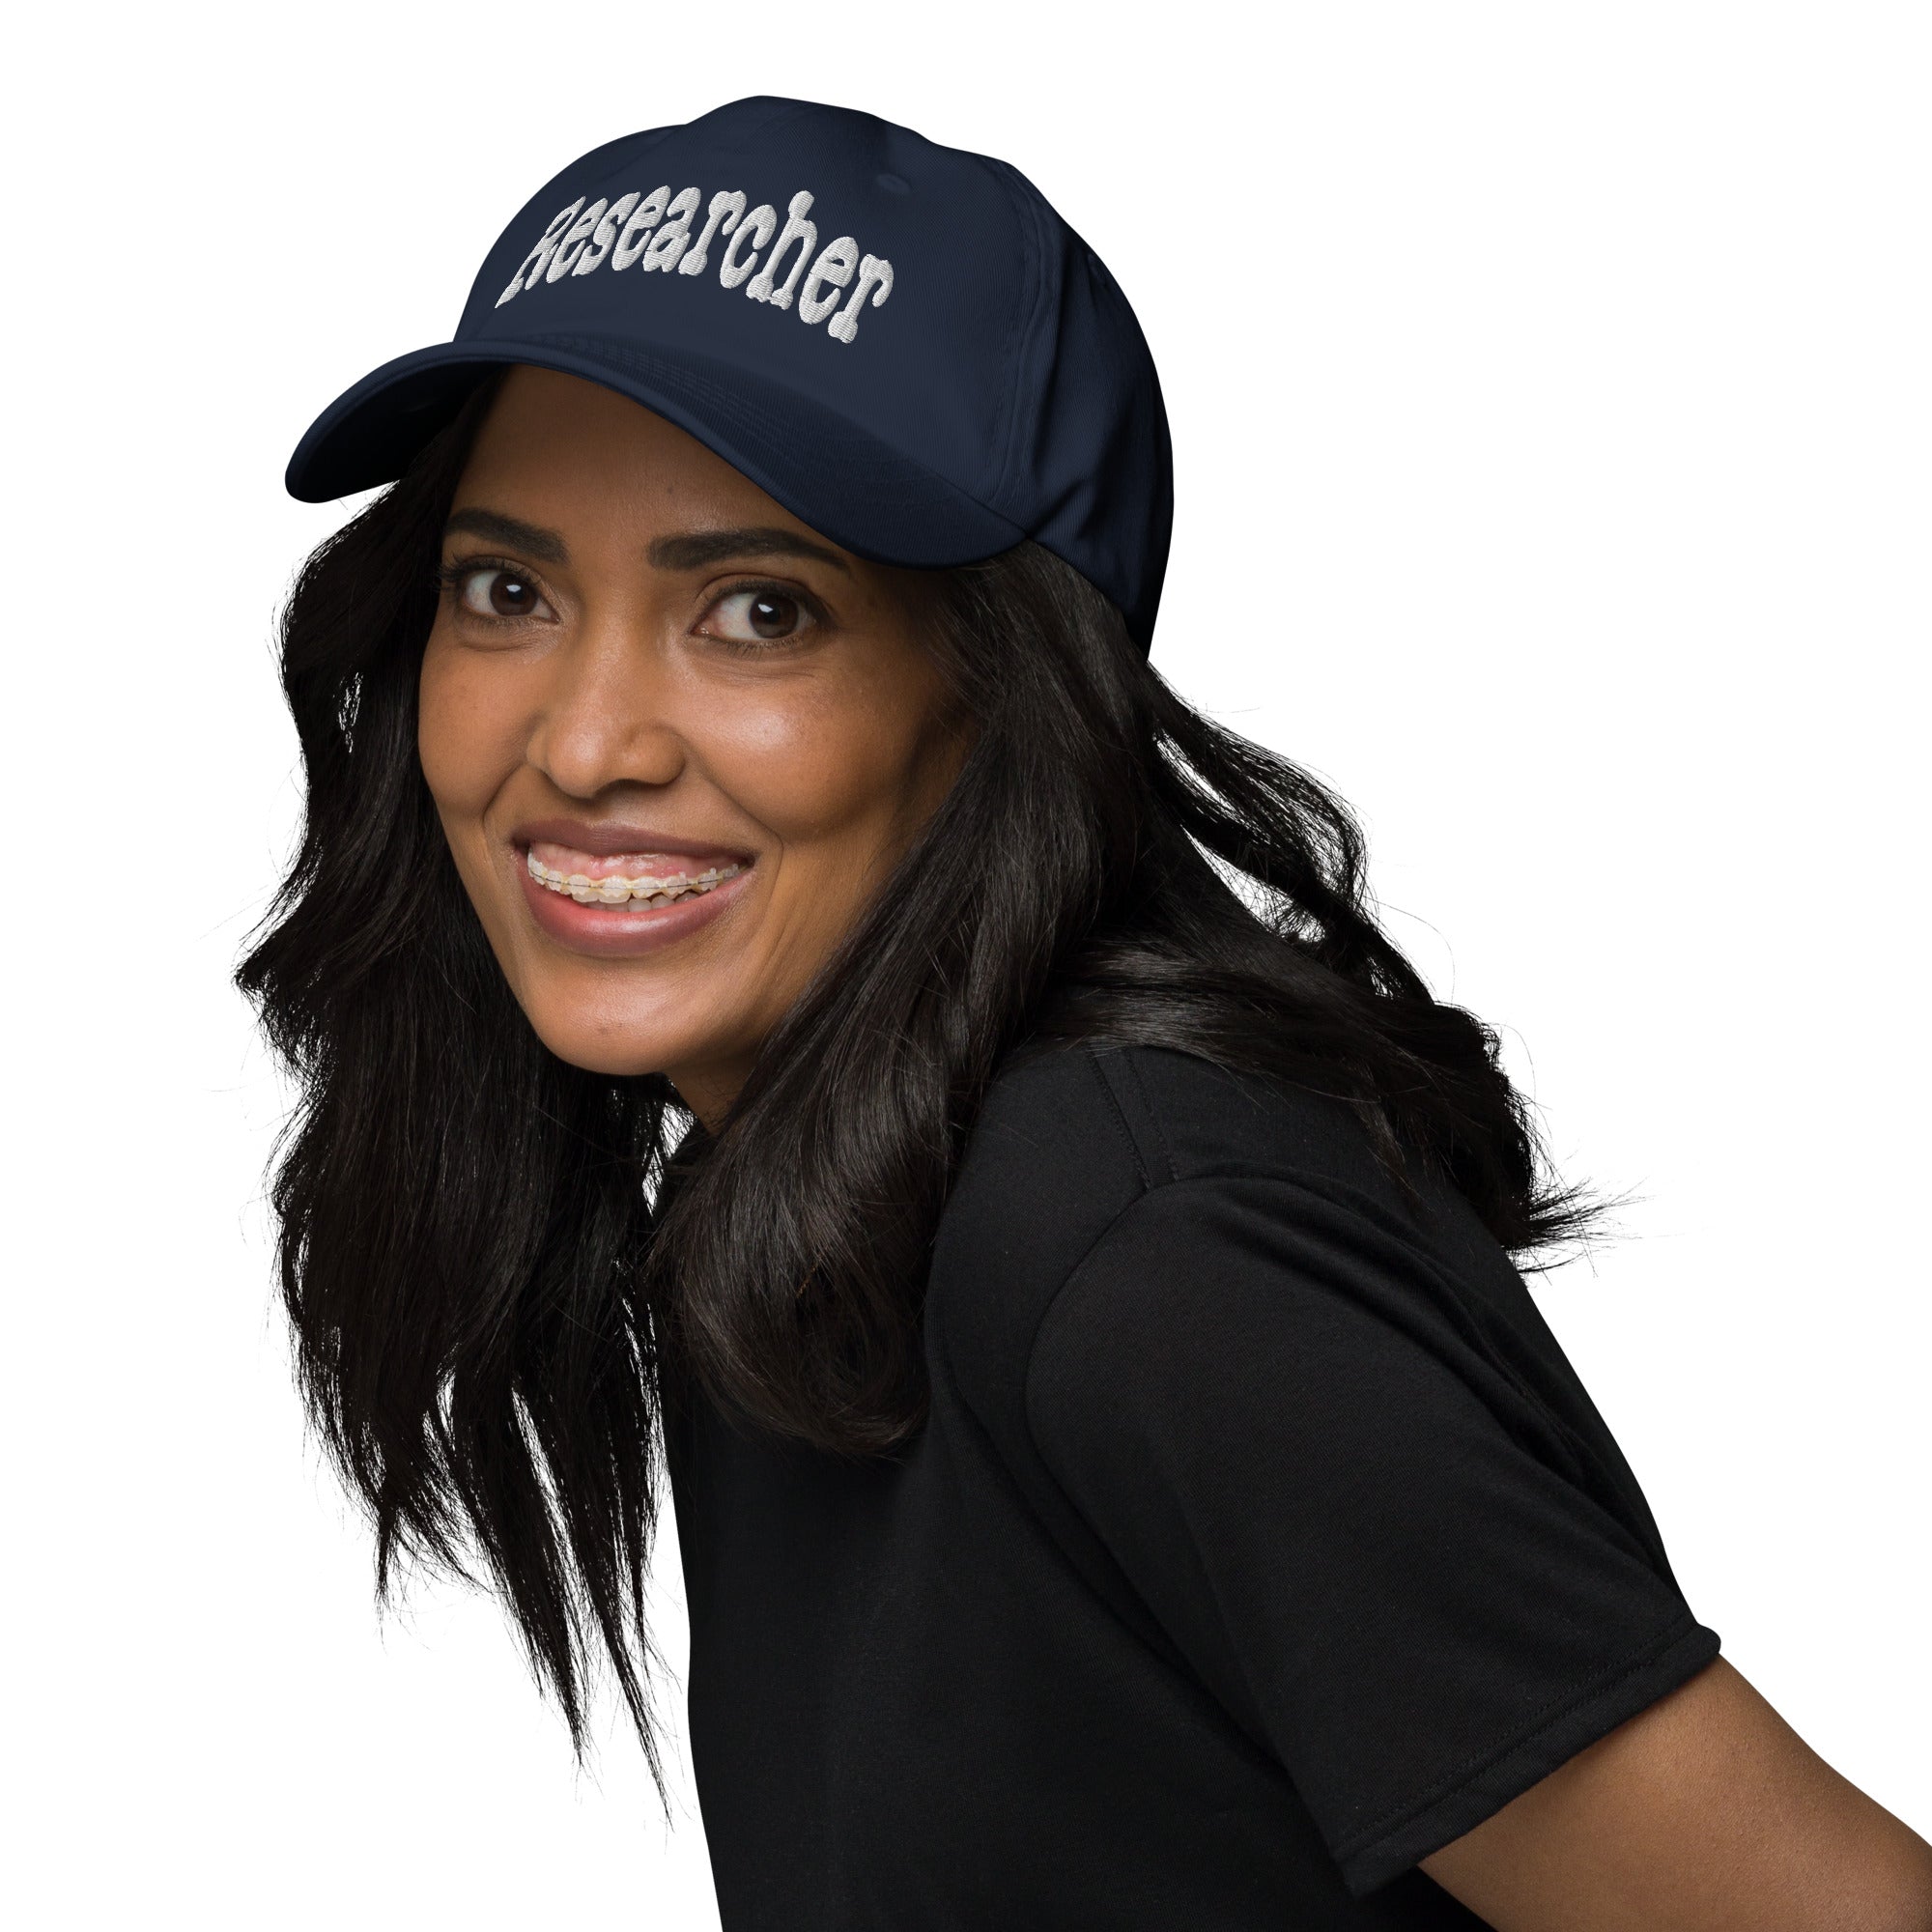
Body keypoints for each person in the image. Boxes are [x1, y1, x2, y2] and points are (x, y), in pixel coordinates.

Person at [240, 96, 1932, 1930]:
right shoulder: (797, 1202)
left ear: (1002, 696)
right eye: (508, 592)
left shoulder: (1147, 1257)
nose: (582, 743)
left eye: (758, 612)